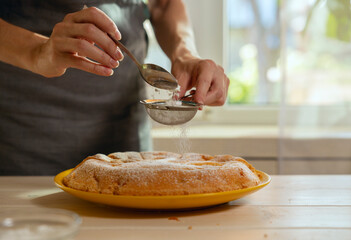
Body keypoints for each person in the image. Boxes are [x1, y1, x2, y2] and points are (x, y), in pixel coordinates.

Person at [0, 0, 229, 176]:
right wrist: (38, 51)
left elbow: (163, 4)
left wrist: (184, 53)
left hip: (125, 125)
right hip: (24, 132)